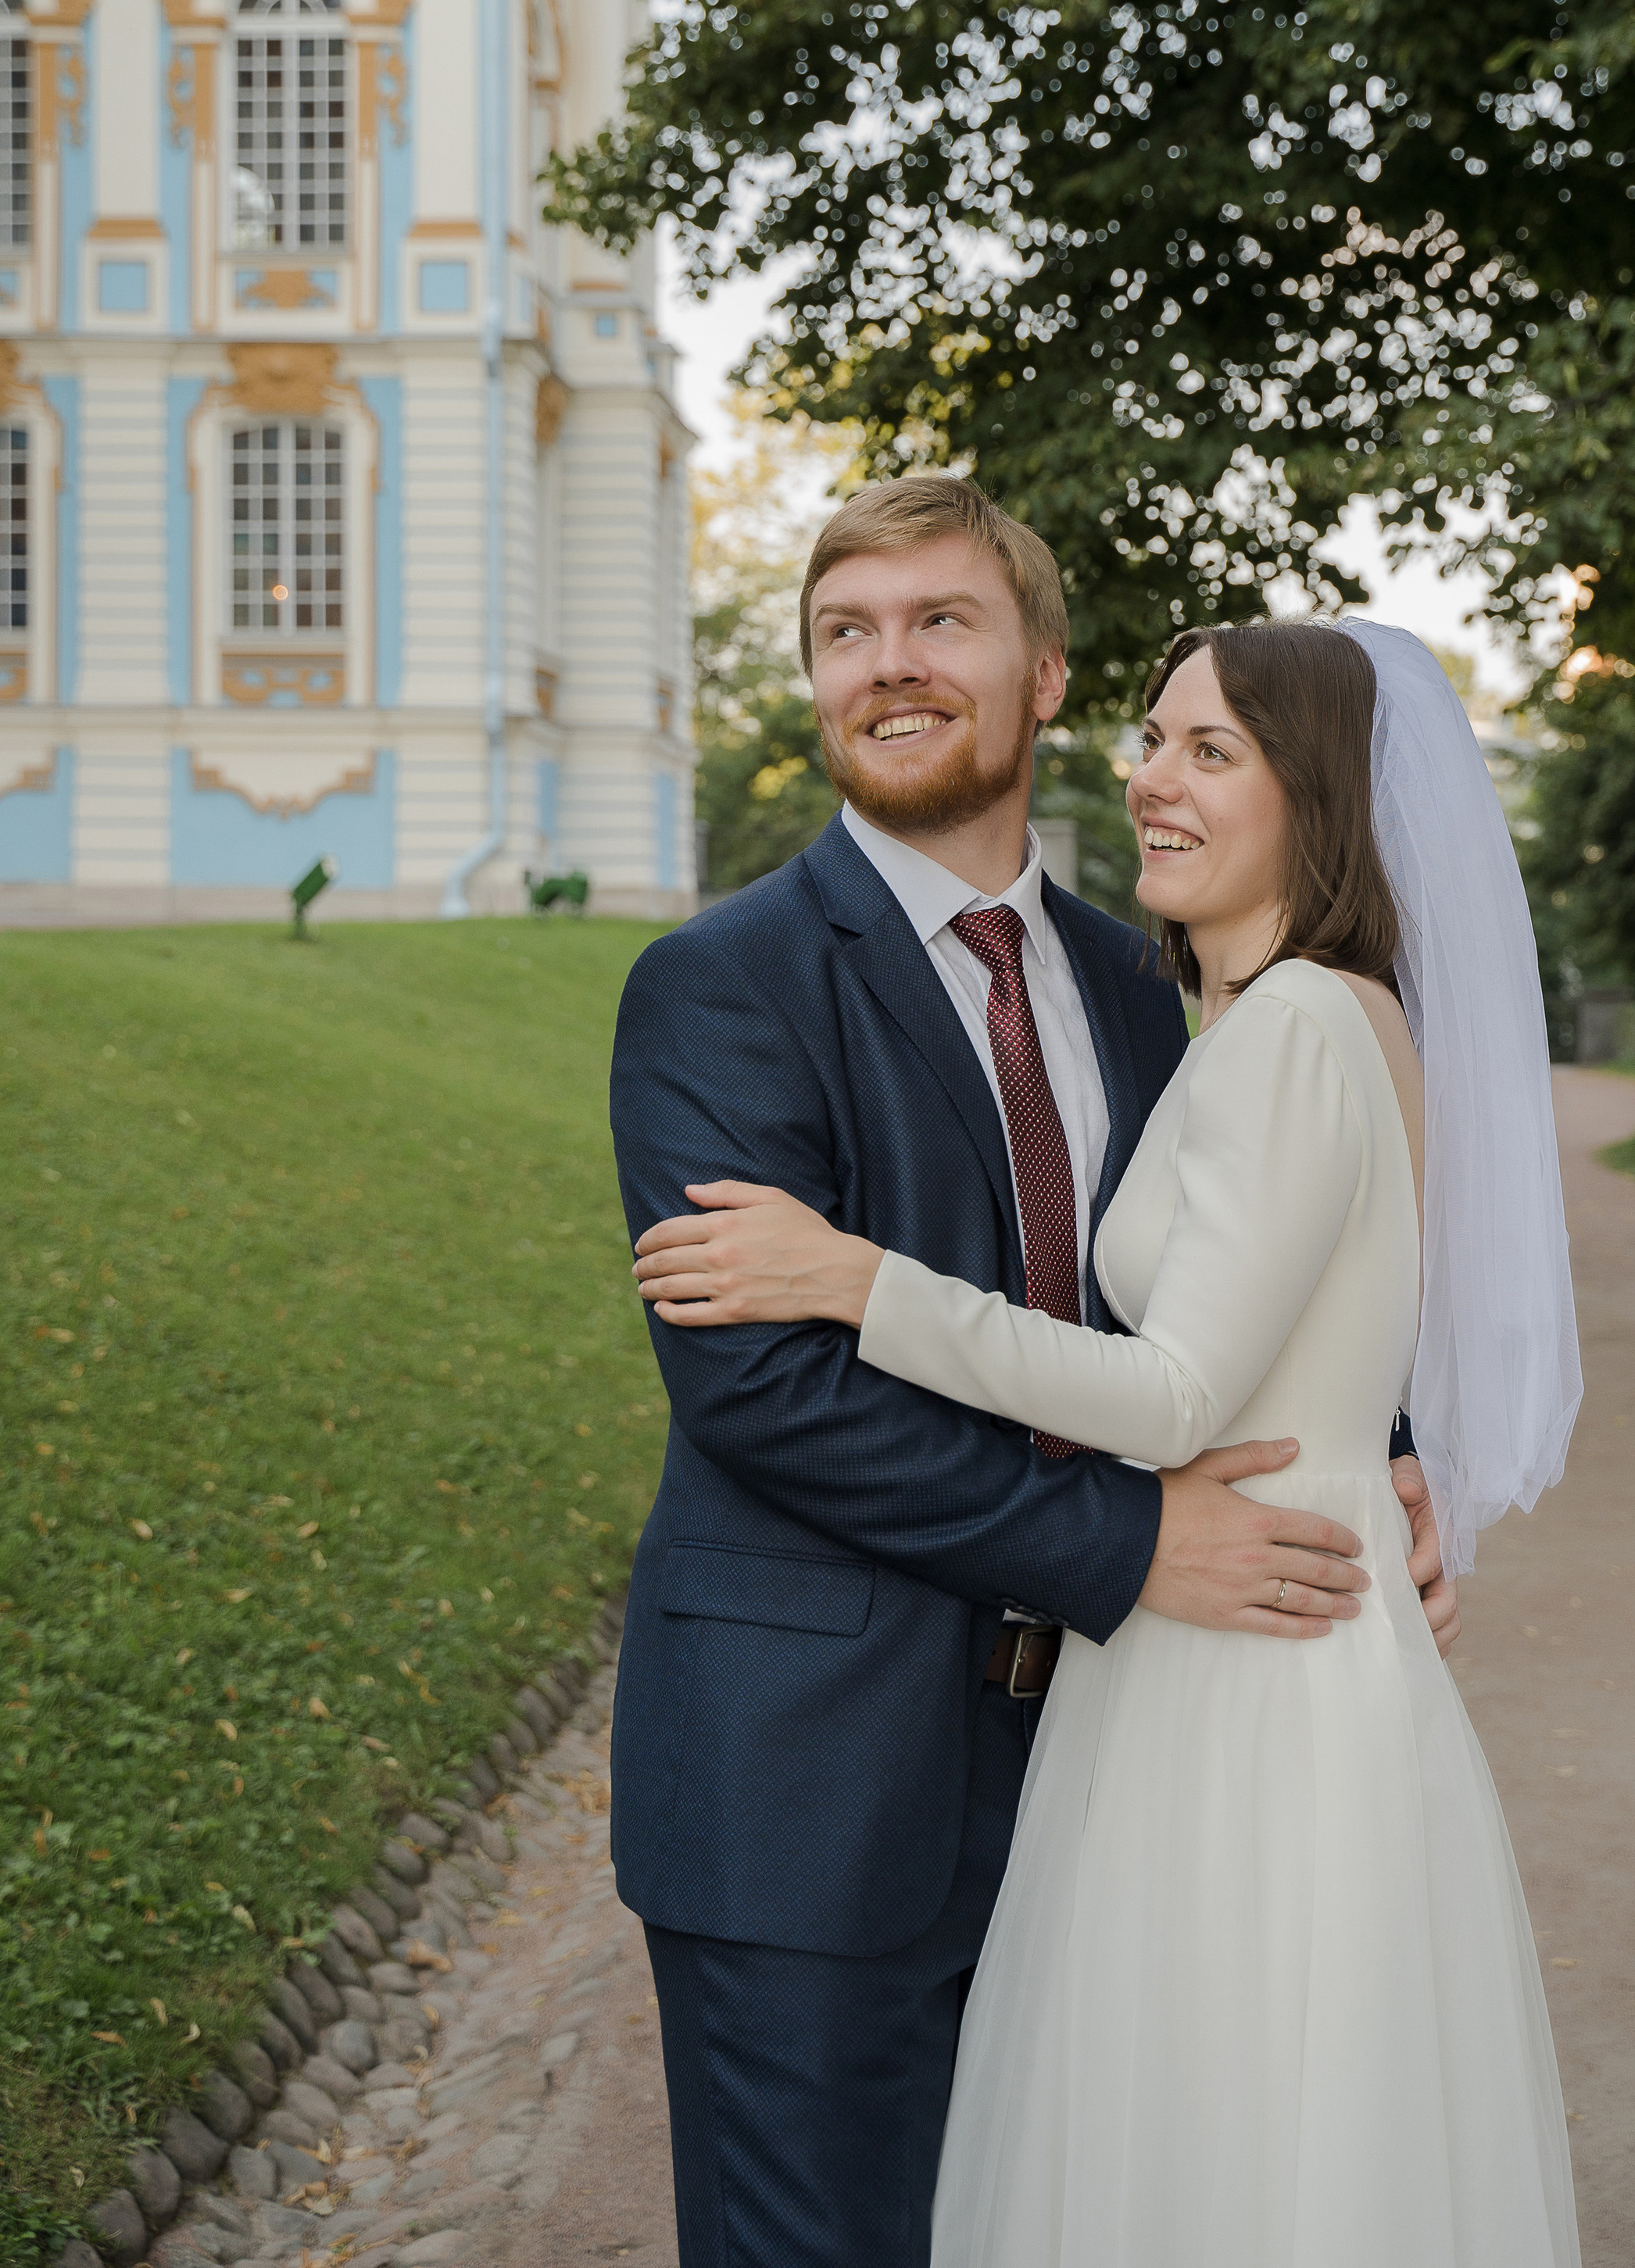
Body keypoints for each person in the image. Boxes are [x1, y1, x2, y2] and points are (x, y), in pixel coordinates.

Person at [636, 607, 1585, 2266]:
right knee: (1238, 2138)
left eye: (1210, 751)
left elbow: (1166, 1392)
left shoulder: (1281, 1023)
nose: (1153, 779)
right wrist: (1377, 1436)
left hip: (1237, 1669)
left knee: (1216, 2142)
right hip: (1131, 1672)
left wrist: (856, 1277)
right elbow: (1284, 1287)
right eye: (1154, 740)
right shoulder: (1273, 1013)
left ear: (1321, 798)